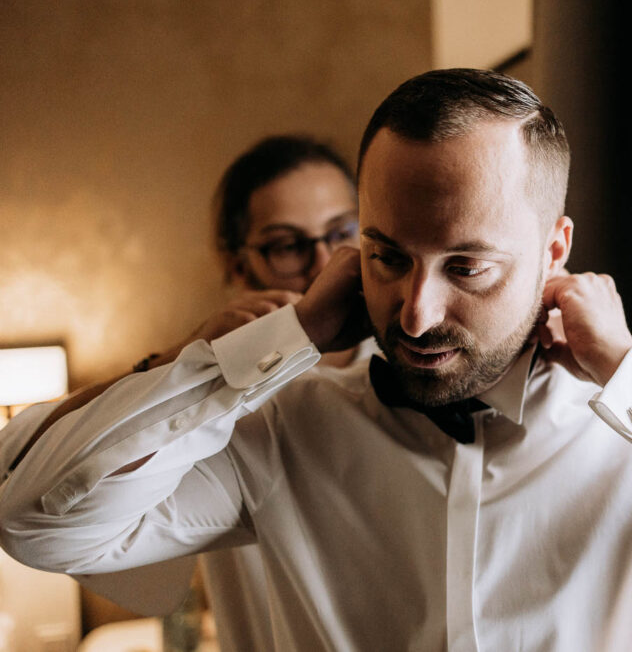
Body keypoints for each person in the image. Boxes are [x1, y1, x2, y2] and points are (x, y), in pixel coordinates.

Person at [0, 69, 632, 651]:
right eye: (387, 255)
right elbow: (35, 522)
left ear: (556, 251)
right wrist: (264, 350)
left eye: (467, 265)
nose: (417, 309)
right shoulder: (275, 431)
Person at [0, 135, 369, 651]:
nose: (325, 263)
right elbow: (19, 477)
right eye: (287, 245)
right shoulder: (208, 402)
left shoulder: (411, 376)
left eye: (342, 232)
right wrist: (187, 354)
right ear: (237, 263)